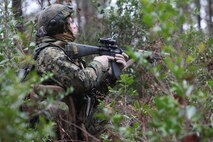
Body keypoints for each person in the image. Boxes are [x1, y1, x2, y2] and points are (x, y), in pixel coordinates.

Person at [31, 3, 128, 141]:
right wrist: (99, 63)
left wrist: (110, 75)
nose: (74, 25)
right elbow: (82, 82)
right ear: (59, 25)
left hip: (73, 130)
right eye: (70, 21)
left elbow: (90, 96)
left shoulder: (63, 53)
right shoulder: (49, 53)